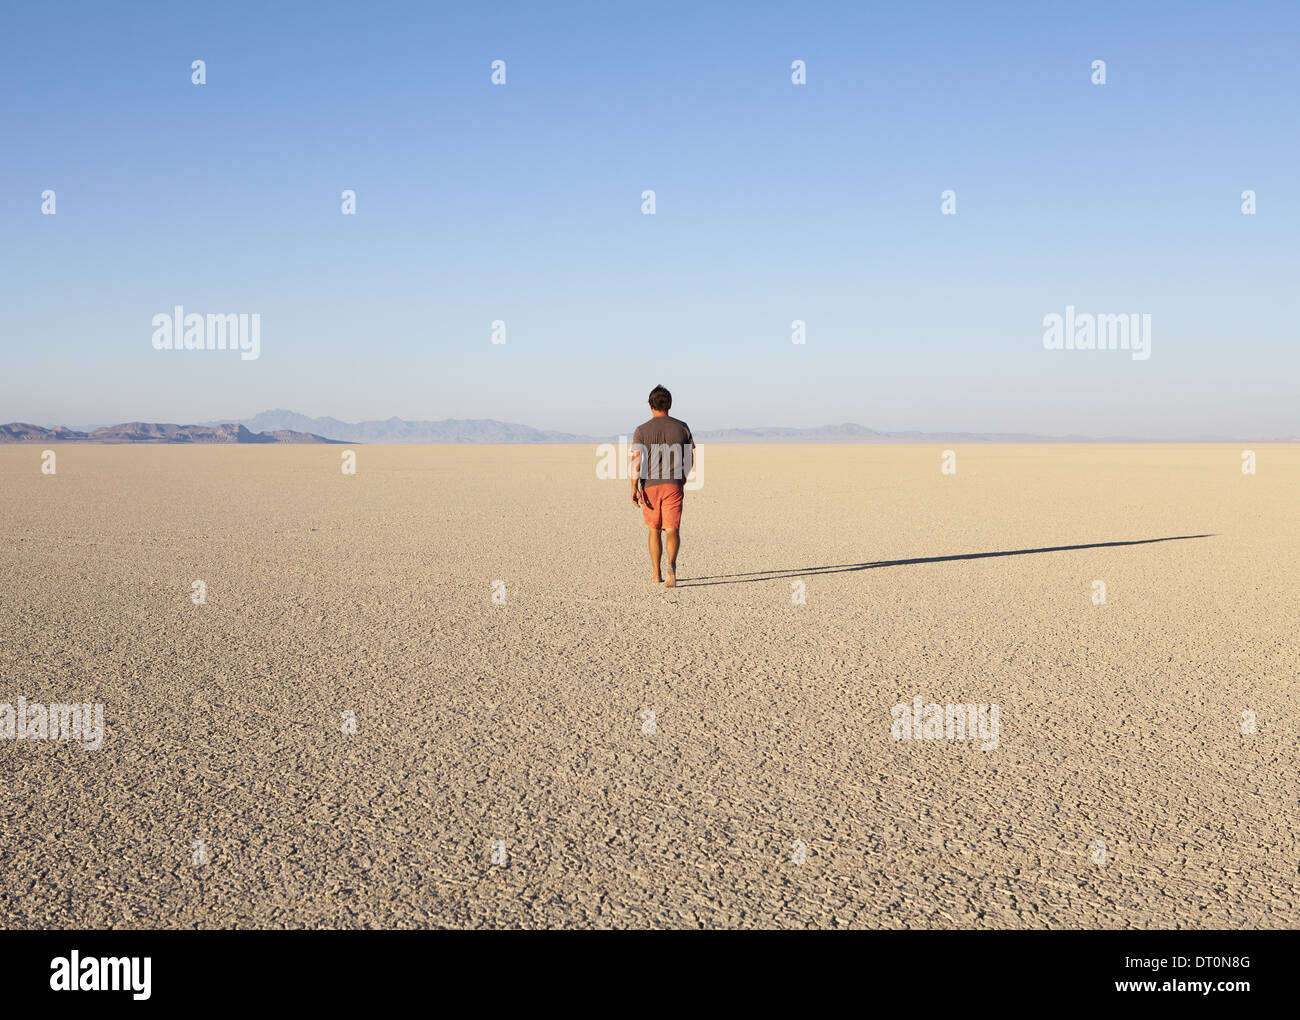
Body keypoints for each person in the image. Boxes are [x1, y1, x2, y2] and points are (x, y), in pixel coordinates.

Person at [630, 385, 695, 587]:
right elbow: (689, 458)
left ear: (650, 405)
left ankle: (656, 573)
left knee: (654, 529)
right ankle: (671, 567)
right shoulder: (682, 427)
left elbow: (636, 461)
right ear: (670, 404)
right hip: (673, 484)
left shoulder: (641, 430)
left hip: (650, 486)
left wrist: (633, 487)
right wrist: (682, 479)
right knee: (672, 529)